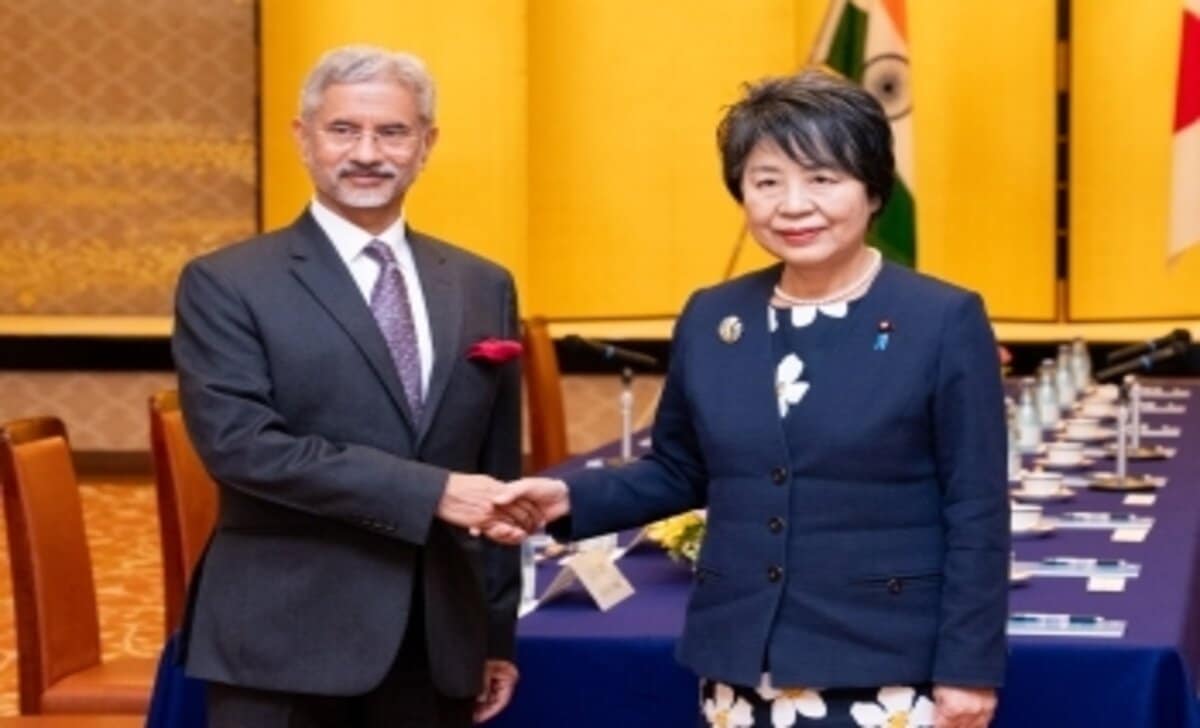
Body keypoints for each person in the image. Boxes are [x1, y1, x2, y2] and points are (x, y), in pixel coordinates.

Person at [502, 69, 1009, 728]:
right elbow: (680, 468)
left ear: (872, 188)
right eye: (767, 182)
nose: (793, 205)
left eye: (823, 178)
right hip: (743, 660)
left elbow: (976, 507)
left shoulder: (941, 319)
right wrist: (567, 498)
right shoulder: (714, 315)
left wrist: (968, 668)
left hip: (887, 667)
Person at [173, 45, 532, 727]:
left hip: (436, 640)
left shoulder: (483, 284)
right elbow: (242, 447)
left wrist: (493, 634)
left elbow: (495, 470)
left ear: (426, 145)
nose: (367, 153)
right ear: (303, 138)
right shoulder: (228, 283)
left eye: (392, 132)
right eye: (343, 129)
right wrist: (432, 492)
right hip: (284, 640)